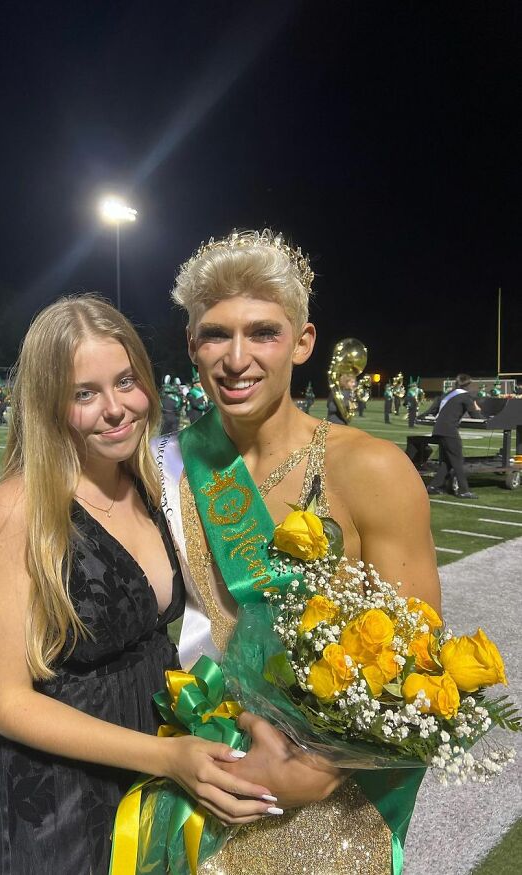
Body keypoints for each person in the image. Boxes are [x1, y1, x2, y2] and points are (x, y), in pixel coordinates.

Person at [156, 229, 441, 873]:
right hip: (204, 782)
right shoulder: (169, 467)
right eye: (214, 334)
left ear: (303, 343)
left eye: (263, 333)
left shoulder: (371, 469)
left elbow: (424, 665)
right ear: (191, 346)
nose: (236, 359)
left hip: (337, 809)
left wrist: (314, 769)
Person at [0, 295, 276, 875]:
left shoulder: (147, 480)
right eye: (85, 393)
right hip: (62, 790)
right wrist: (163, 755)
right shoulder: (18, 509)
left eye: (127, 381)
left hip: (155, 762)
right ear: (49, 404)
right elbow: (3, 701)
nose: (116, 409)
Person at [427, 373, 482, 499]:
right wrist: (480, 412)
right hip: (449, 430)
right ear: (468, 385)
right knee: (458, 461)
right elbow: (475, 416)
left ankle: (433, 486)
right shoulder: (465, 396)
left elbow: (433, 410)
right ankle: (463, 490)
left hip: (438, 429)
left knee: (448, 461)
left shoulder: (447, 395)